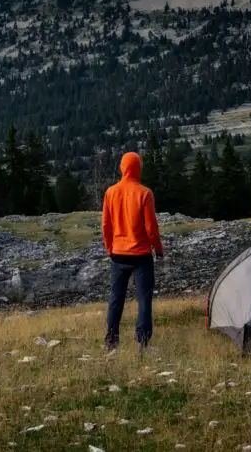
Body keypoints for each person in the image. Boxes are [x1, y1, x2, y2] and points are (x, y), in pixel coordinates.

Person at [101, 151, 163, 355]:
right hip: (141, 255)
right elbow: (151, 228)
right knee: (144, 298)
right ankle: (142, 343)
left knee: (116, 297)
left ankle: (111, 342)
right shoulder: (145, 193)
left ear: (122, 168)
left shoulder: (111, 192)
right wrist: (158, 249)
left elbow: (106, 225)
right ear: (138, 168)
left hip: (118, 254)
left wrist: (110, 248)